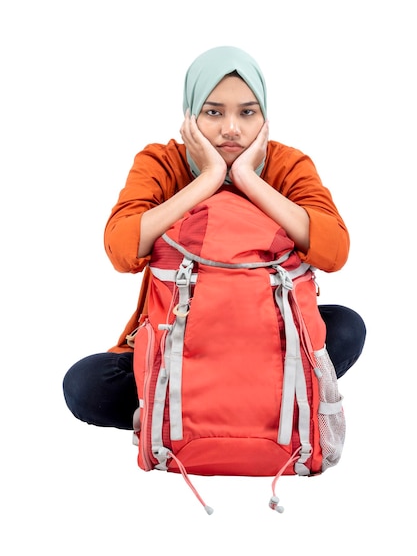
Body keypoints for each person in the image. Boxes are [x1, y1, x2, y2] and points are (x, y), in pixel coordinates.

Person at [63, 45, 366, 430]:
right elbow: (122, 249)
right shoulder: (161, 162)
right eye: (213, 112)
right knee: (85, 384)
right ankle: (246, 410)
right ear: (190, 115)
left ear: (264, 118)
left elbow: (335, 250)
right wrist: (207, 179)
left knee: (346, 327)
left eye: (247, 112)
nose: (231, 129)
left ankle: (197, 414)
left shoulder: (288, 164)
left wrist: (248, 180)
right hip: (177, 345)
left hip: (270, 342)